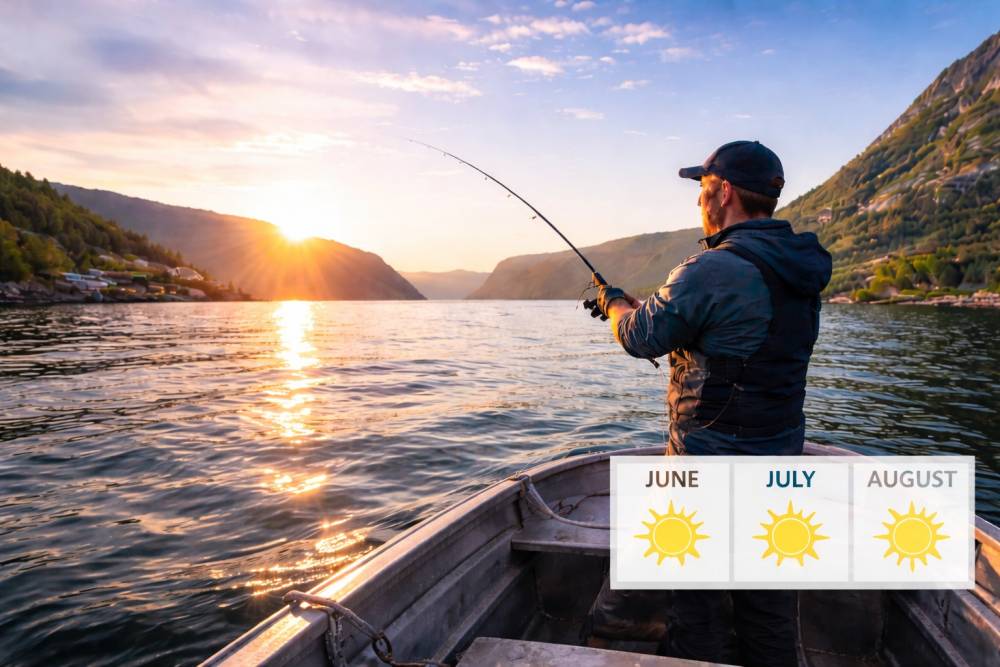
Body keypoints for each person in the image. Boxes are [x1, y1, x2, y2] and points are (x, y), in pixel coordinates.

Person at [588, 140, 832, 666]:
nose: (699, 200)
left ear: (722, 192)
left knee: (696, 607)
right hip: (780, 464)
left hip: (709, 466)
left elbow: (637, 335)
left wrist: (613, 304)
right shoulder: (797, 268)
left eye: (702, 188)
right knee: (767, 612)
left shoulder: (711, 269)